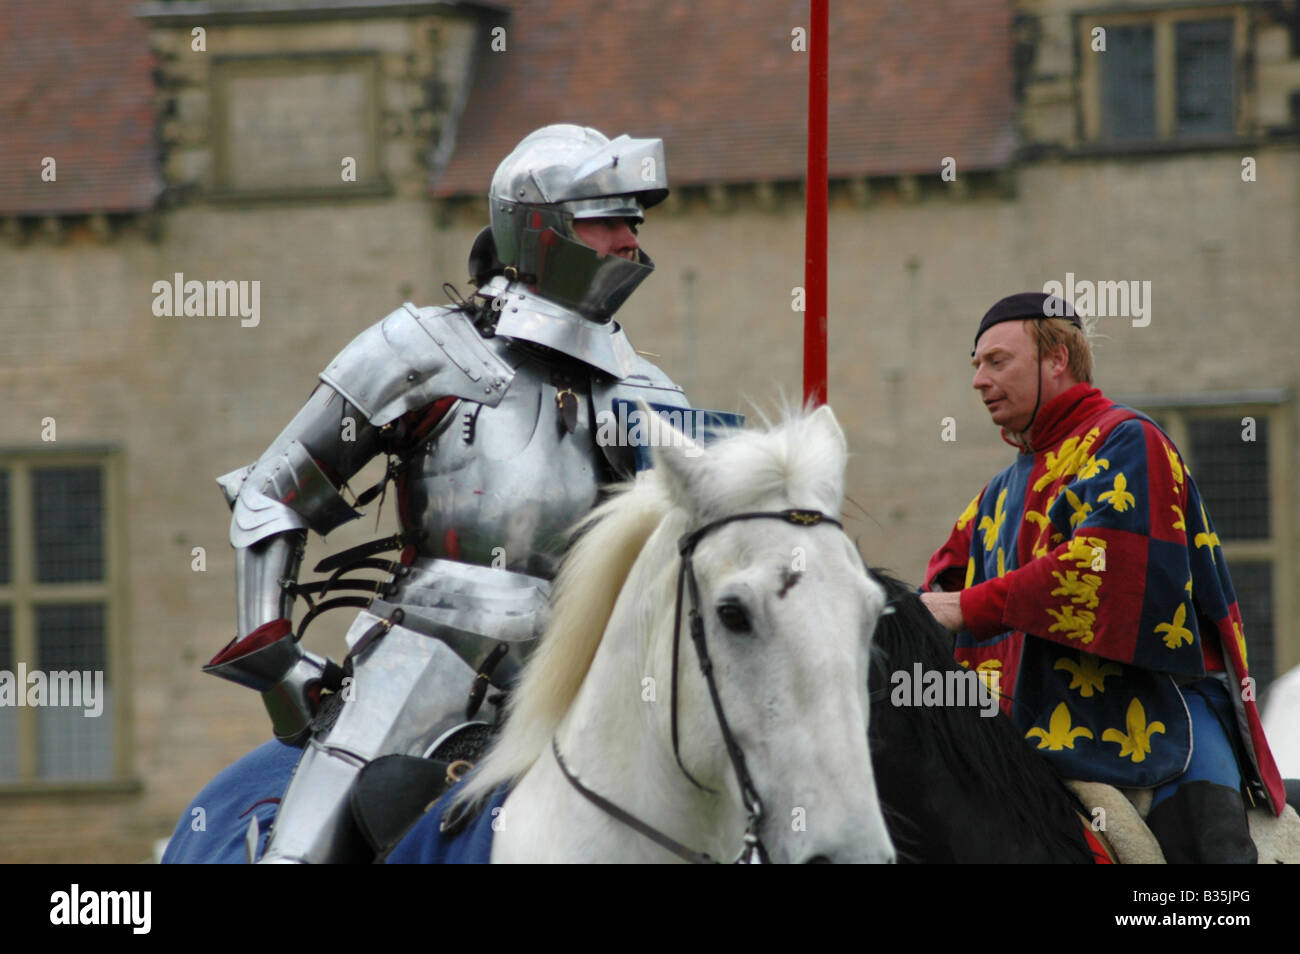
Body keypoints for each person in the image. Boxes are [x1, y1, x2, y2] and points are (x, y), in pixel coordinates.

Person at [164, 124, 706, 863]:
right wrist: (282, 666)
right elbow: (274, 493)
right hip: (426, 656)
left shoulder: (650, 392)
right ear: (539, 228)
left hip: (590, 672)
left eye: (632, 223)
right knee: (303, 856)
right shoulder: (424, 349)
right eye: (603, 221)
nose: (626, 240)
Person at [920, 292, 1286, 863]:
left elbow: (1105, 569)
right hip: (1025, 729)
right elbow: (937, 590)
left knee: (1214, 870)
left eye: (997, 361)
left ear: (1057, 358)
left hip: (1154, 713)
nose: (979, 380)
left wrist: (965, 608)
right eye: (976, 366)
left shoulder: (1127, 441)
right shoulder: (994, 494)